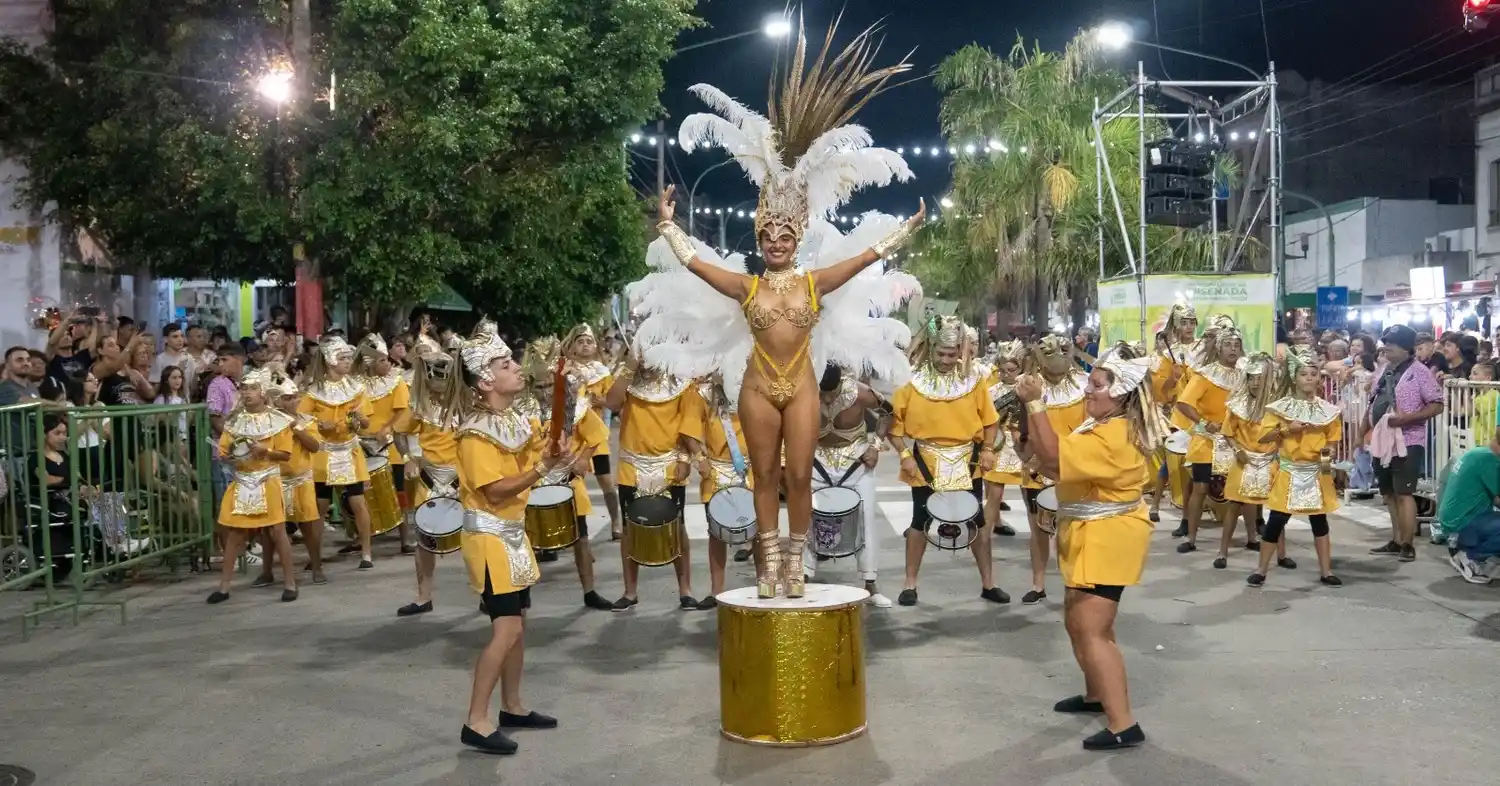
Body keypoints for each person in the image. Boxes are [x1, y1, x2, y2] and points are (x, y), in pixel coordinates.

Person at [634, 22, 921, 598]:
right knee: (763, 474)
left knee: (798, 475)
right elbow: (694, 265)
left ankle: (797, 560)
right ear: (762, 239)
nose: (777, 243)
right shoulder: (745, 287)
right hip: (760, 387)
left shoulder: (814, 284)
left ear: (796, 237)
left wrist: (901, 233)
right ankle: (767, 563)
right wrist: (668, 226)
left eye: (786, 236)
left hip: (805, 386)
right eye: (769, 236)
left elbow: (864, 258)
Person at [1013, 345, 1158, 751]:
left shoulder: (1115, 434)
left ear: (1122, 393)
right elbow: (1056, 464)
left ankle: (1123, 724)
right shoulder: (1101, 425)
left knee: (1092, 629)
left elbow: (1055, 455)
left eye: (1096, 385)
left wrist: (1036, 403)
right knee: (1079, 621)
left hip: (1108, 537)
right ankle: (1097, 696)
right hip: (1091, 532)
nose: (1087, 391)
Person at [449, 320, 569, 755]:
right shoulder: (474, 432)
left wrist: (554, 454)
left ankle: (513, 706)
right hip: (490, 540)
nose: (516, 367)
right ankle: (476, 721)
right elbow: (494, 490)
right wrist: (542, 469)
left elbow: (534, 455)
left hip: (513, 537)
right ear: (485, 380)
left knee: (518, 627)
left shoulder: (512, 419)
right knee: (506, 629)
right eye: (505, 364)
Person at [889, 316, 1005, 607]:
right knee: (920, 520)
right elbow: (894, 426)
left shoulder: (973, 379)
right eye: (941, 354)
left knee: (976, 520)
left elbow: (990, 421)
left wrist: (989, 449)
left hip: (968, 458)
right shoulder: (911, 381)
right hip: (926, 457)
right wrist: (905, 455)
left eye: (952, 355)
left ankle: (988, 583)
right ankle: (910, 584)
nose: (946, 359)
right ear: (930, 349)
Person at [517, 338, 614, 610]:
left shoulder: (575, 405)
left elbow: (596, 434)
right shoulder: (522, 410)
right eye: (541, 386)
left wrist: (583, 458)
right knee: (525, 541)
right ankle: (521, 592)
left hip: (568, 481)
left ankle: (590, 591)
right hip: (532, 482)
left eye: (550, 384)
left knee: (581, 539)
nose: (547, 391)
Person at [603, 352, 697, 610]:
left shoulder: (682, 379)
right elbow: (611, 403)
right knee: (630, 528)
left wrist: (685, 459)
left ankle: (685, 589)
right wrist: (629, 366)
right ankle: (630, 591)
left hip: (669, 465)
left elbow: (688, 421)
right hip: (632, 466)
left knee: (678, 527)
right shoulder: (628, 378)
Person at [798, 363, 893, 607]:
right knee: (806, 516)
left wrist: (875, 445)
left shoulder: (861, 393)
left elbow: (889, 412)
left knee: (866, 518)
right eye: (823, 393)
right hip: (818, 460)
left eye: (832, 392)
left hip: (856, 461)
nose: (827, 398)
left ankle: (870, 584)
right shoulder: (804, 390)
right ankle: (804, 575)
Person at [1250, 347, 1344, 587]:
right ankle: (1261, 570)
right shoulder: (1280, 407)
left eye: (1314, 373)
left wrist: (1330, 452)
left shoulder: (1328, 410)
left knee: (1319, 522)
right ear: (1295, 377)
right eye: (1304, 374)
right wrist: (1286, 429)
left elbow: (1332, 438)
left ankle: (1326, 571)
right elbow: (1263, 438)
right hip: (1290, 472)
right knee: (1276, 521)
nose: (1309, 378)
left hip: (1316, 471)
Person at [207, 368, 298, 604]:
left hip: (267, 479)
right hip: (242, 480)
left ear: (263, 392)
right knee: (235, 534)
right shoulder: (234, 420)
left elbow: (285, 455)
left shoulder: (279, 420)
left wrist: (264, 451)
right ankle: (224, 587)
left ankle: (290, 582)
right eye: (244, 388)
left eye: (252, 388)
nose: (247, 393)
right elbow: (225, 452)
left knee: (278, 532)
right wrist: (229, 458)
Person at [1017, 335, 1091, 605]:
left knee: (1074, 528)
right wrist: (1027, 453)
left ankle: (1076, 582)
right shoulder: (1027, 387)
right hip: (1037, 468)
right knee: (1038, 529)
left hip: (1073, 466)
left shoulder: (1085, 386)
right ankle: (1038, 584)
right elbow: (1019, 428)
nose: (1056, 368)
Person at [299, 335, 378, 569]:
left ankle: (366, 553)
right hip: (324, 452)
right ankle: (315, 557)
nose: (347, 362)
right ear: (331, 361)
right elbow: (302, 420)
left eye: (347, 357)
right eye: (342, 358)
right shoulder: (314, 391)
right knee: (320, 506)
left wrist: (359, 420)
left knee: (358, 502)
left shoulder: (356, 388)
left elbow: (365, 424)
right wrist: (319, 426)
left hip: (349, 450)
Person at [1368, 325, 1443, 563]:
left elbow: (1437, 403)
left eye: (1393, 343)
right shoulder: (1383, 370)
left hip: (1408, 440)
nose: (1387, 346)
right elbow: (1373, 403)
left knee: (1404, 492)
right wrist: (1362, 432)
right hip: (1382, 441)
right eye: (1386, 342)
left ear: (1406, 347)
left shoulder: (1420, 372)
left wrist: (1407, 419)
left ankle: (1408, 545)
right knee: (1389, 493)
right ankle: (1396, 538)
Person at [679, 373, 754, 608]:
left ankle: (765, 585)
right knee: (716, 534)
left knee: (760, 533)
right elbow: (689, 429)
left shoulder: (755, 383)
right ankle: (717, 591)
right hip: (716, 469)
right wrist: (699, 457)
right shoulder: (701, 391)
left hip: (753, 468)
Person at [397, 340, 460, 616]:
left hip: (465, 478)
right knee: (424, 540)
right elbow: (400, 433)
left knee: (478, 536)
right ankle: (424, 596)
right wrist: (409, 458)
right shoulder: (418, 406)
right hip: (430, 477)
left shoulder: (467, 404)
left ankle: (486, 592)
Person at [1172, 322, 1246, 553]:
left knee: (1243, 490)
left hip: (1236, 440)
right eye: (1228, 345)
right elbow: (1184, 403)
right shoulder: (1205, 374)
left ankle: (1253, 536)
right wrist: (1203, 423)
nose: (1233, 349)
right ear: (1219, 348)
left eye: (1237, 345)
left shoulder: (1246, 375)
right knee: (1200, 489)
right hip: (1207, 441)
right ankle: (1191, 538)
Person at [1213, 354, 1291, 570]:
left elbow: (1284, 434)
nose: (1255, 382)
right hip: (1244, 460)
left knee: (1278, 509)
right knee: (1234, 506)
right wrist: (1237, 449)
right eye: (1251, 378)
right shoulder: (1237, 405)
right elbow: (1227, 432)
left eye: (1259, 378)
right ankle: (1222, 552)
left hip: (1270, 461)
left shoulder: (1277, 406)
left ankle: (1282, 554)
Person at [560, 324, 624, 540]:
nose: (585, 345)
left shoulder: (602, 372)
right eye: (580, 341)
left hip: (596, 436)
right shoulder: (565, 370)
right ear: (573, 346)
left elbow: (615, 404)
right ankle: (576, 530)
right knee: (568, 482)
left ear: (596, 346)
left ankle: (616, 522)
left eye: (589, 341)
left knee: (605, 479)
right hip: (571, 436)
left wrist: (602, 401)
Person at [356, 333, 413, 553]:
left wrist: (387, 428)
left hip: (388, 442)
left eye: (387, 359)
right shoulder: (357, 385)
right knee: (360, 494)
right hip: (362, 442)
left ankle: (405, 537)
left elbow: (402, 411)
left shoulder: (396, 382)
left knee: (398, 490)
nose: (387, 364)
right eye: (381, 360)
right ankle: (361, 538)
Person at [268, 375, 326, 585]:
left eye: (294, 398)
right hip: (275, 479)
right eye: (287, 398)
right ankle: (267, 571)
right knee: (270, 529)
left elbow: (315, 446)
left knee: (309, 526)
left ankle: (317, 566)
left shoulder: (306, 420)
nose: (292, 402)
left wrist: (295, 427)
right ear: (276, 401)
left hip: (301, 479)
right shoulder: (269, 423)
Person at [1147, 303, 1199, 523]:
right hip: (1179, 414)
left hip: (1201, 413)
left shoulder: (1202, 350)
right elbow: (1160, 391)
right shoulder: (1168, 354)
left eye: (1192, 322)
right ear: (1177, 325)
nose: (1188, 327)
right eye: (1184, 322)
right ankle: (1157, 504)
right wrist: (1173, 378)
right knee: (1171, 461)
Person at [1437, 428, 1500, 584]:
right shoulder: (1490, 461)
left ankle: (1479, 556)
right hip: (1461, 525)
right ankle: (1469, 556)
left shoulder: (1479, 453)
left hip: (1454, 522)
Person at [981, 342, 1026, 539]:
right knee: (994, 496)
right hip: (999, 445)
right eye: (1003, 370)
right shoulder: (991, 392)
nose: (1007, 374)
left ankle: (1043, 538)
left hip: (1023, 445)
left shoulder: (1028, 388)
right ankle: (983, 537)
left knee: (1030, 495)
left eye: (1012, 370)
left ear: (1020, 368)